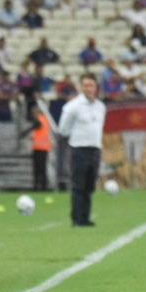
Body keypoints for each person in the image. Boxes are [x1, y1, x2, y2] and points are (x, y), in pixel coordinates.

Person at [57, 73, 105, 227]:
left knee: (90, 185)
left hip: (95, 148)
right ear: (81, 87)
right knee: (78, 185)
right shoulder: (73, 107)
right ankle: (76, 218)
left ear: (96, 87)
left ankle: (85, 217)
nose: (89, 89)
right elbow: (63, 129)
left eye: (91, 85)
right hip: (79, 149)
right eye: (86, 85)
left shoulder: (100, 107)